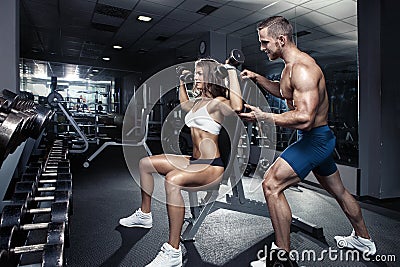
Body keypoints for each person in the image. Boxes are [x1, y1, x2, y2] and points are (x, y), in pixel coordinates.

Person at [238, 16, 376, 266]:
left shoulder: (303, 68)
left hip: (315, 140)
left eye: (264, 42)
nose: (262, 48)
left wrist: (262, 117)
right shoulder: (288, 66)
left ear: (281, 39)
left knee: (271, 184)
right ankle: (364, 239)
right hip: (316, 139)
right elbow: (283, 92)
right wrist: (258, 78)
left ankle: (281, 258)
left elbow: (304, 117)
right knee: (339, 191)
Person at [119, 58, 243, 267]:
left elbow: (238, 106)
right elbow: (184, 104)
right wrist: (182, 81)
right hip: (194, 160)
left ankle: (173, 251)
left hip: (211, 165)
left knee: (172, 180)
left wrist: (231, 70)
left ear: (210, 78)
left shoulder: (218, 103)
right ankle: (145, 215)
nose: (196, 76)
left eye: (199, 74)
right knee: (145, 164)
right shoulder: (197, 103)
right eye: (195, 73)